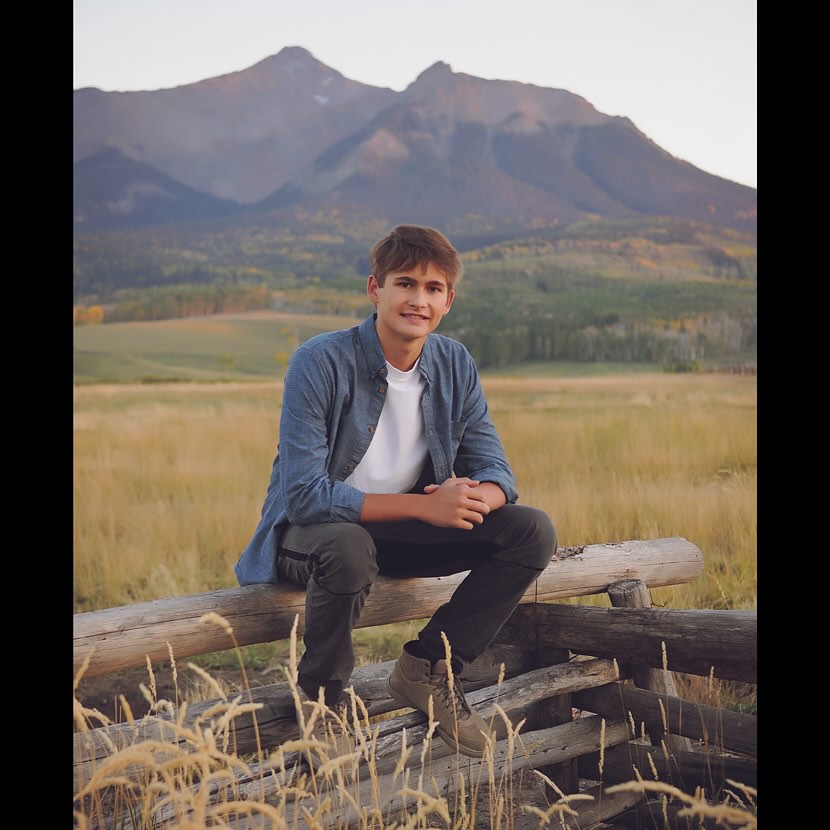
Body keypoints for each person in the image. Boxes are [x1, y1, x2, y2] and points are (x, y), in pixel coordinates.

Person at [234, 224, 556, 765]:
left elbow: (496, 467)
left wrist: (483, 498)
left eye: (433, 289)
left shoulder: (454, 363)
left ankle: (428, 669)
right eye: (405, 283)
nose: (418, 299)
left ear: (448, 300)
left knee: (532, 530)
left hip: (399, 533)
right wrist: (426, 506)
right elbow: (306, 496)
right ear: (374, 289)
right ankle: (322, 705)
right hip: (312, 535)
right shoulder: (320, 361)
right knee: (347, 546)